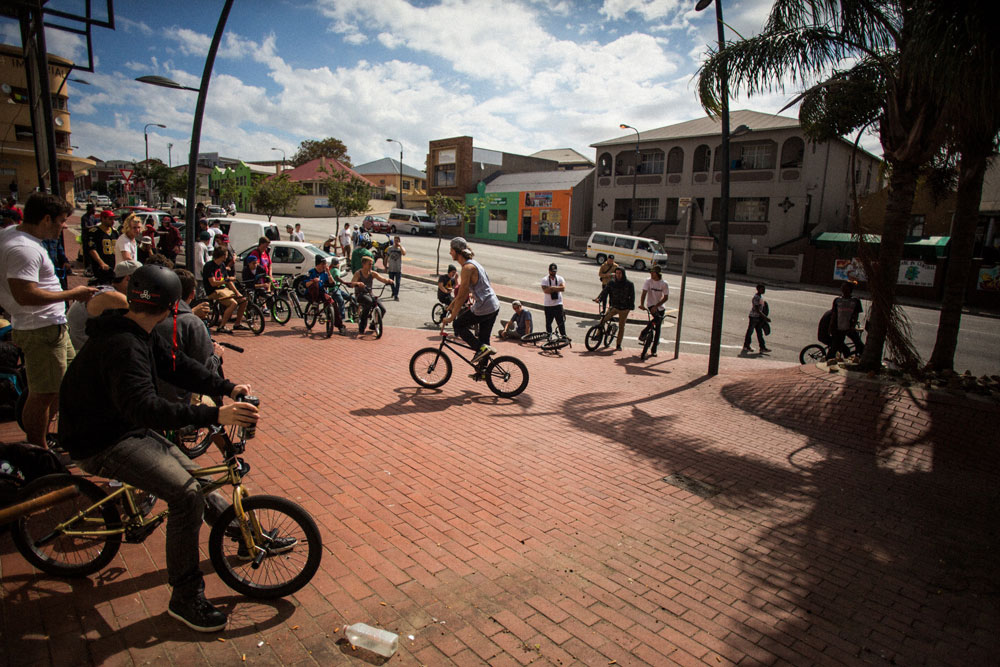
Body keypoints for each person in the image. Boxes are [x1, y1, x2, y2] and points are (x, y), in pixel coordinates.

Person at [58, 264, 282, 633]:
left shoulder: (136, 327)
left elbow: (177, 365)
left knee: (199, 477)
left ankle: (243, 535)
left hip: (122, 427)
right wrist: (215, 414)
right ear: (172, 307)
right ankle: (184, 596)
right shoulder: (124, 346)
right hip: (100, 440)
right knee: (186, 494)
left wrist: (226, 387)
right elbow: (147, 409)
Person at [0, 193, 97, 446]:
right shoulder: (23, 249)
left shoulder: (14, 234)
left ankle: (47, 435)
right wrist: (75, 293)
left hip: (49, 326)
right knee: (43, 394)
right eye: (62, 220)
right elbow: (25, 294)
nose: (64, 226)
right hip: (40, 328)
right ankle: (37, 448)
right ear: (46, 219)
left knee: (65, 385)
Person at [155, 268, 225, 403]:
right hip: (178, 400)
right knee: (214, 406)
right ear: (192, 294)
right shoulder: (191, 323)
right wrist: (216, 355)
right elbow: (205, 370)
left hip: (152, 394)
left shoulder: (150, 314)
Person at [441, 237, 500, 365]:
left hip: (484, 306)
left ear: (457, 251)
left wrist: (452, 317)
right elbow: (464, 291)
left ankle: (480, 349)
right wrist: (452, 304)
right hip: (493, 305)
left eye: (451, 250)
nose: (450, 253)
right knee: (484, 340)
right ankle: (483, 370)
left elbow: (462, 296)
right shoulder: (474, 263)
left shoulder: (467, 268)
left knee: (458, 325)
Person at [67, 260, 140, 350]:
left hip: (82, 345)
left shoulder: (108, 290)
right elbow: (140, 321)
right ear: (127, 279)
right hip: (81, 351)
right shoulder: (112, 297)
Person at [202, 246, 248, 334]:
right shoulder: (209, 266)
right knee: (233, 303)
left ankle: (237, 324)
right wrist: (226, 280)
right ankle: (221, 326)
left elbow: (228, 281)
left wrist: (237, 292)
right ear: (222, 255)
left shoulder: (222, 265)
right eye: (226, 255)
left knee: (243, 300)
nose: (227, 257)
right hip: (214, 291)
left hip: (224, 290)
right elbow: (213, 283)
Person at [594, 266, 634, 351]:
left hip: (624, 308)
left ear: (623, 274)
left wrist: (630, 306)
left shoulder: (629, 284)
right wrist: (599, 299)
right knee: (603, 319)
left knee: (621, 326)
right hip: (614, 306)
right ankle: (598, 335)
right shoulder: (612, 283)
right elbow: (605, 292)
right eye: (617, 273)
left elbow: (632, 297)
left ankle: (618, 344)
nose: (618, 275)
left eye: (620, 273)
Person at [351, 255, 392, 335]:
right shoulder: (358, 273)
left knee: (383, 309)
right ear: (364, 264)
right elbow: (352, 284)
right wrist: (358, 283)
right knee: (369, 303)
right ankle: (362, 327)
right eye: (369, 264)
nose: (371, 266)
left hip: (369, 294)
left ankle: (373, 325)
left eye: (372, 264)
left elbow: (382, 279)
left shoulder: (372, 274)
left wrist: (389, 281)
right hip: (360, 295)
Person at [306, 256, 345, 334]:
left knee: (333, 303)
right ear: (318, 264)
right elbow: (306, 284)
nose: (324, 266)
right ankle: (315, 302)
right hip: (311, 293)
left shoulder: (325, 273)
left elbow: (332, 283)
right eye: (322, 264)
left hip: (322, 293)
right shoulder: (311, 272)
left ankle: (340, 326)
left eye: (325, 264)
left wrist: (328, 272)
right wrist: (313, 281)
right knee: (316, 284)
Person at [828, 281, 865, 359]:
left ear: (850, 289)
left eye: (845, 288)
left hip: (849, 327)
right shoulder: (837, 300)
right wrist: (831, 326)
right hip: (838, 327)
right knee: (835, 346)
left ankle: (861, 357)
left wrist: (853, 326)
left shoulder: (855, 301)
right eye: (842, 287)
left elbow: (856, 315)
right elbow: (834, 314)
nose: (843, 289)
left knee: (859, 344)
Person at [639, 265, 669, 358]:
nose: (651, 274)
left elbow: (666, 297)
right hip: (650, 304)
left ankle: (654, 349)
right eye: (651, 273)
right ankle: (644, 332)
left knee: (658, 327)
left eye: (653, 273)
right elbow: (644, 292)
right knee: (656, 318)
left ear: (658, 274)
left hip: (660, 307)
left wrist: (657, 306)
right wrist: (642, 304)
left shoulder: (664, 284)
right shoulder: (648, 281)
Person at [86, 210, 119, 284]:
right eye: (110, 219)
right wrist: (101, 263)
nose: (112, 221)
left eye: (113, 219)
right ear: (103, 219)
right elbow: (92, 249)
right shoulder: (95, 232)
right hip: (101, 267)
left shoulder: (115, 232)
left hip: (113, 265)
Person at [742, 283, 771, 354]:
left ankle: (762, 347)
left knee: (759, 333)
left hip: (758, 318)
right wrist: (765, 317)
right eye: (762, 289)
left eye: (764, 289)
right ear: (758, 289)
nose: (764, 290)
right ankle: (746, 346)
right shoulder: (756, 297)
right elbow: (757, 310)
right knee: (750, 332)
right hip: (753, 317)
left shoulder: (760, 297)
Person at [541, 262, 567, 337]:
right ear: (549, 271)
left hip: (558, 304)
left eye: (555, 271)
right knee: (548, 323)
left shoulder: (560, 278)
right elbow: (546, 291)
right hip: (548, 305)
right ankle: (549, 336)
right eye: (552, 271)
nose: (553, 273)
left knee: (560, 322)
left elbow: (563, 288)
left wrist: (552, 288)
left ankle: (563, 336)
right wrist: (557, 288)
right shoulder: (545, 279)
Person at [384, 235, 406, 300]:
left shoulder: (401, 249)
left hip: (398, 269)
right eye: (395, 240)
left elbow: (404, 253)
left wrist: (400, 246)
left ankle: (396, 295)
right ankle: (394, 292)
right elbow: (386, 257)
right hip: (391, 268)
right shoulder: (390, 248)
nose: (396, 242)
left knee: (398, 283)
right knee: (391, 282)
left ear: (399, 241)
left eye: (397, 240)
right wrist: (385, 266)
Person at [79, 203, 99, 275]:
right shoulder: (84, 218)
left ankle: (92, 268)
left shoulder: (92, 217)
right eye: (94, 210)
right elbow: (85, 227)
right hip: (86, 238)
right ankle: (87, 269)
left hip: (92, 238)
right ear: (90, 210)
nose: (95, 211)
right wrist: (93, 226)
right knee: (86, 254)